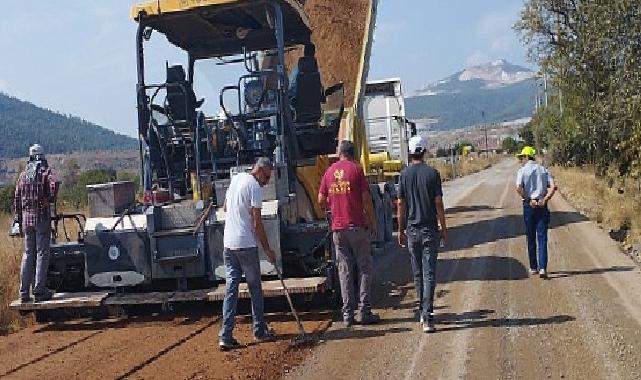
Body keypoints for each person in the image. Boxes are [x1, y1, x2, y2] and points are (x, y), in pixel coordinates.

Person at [218, 157, 278, 351]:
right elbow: (256, 223)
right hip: (245, 245)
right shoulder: (254, 187)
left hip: (229, 244)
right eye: (266, 177)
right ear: (260, 170)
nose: (266, 182)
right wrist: (268, 249)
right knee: (255, 288)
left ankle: (225, 336)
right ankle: (259, 330)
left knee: (231, 289)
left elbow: (226, 207)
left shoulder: (236, 179)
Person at [318, 140, 379, 327]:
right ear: (353, 154)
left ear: (340, 153)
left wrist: (333, 207)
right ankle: (364, 311)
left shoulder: (329, 172)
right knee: (365, 267)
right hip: (357, 226)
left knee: (344, 270)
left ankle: (347, 315)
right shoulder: (356, 170)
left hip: (338, 229)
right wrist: (372, 221)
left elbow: (321, 199)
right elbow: (366, 199)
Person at [397, 136, 447, 333]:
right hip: (429, 230)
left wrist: (400, 230)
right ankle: (427, 315)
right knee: (429, 273)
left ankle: (422, 312)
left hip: (412, 230)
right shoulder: (433, 174)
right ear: (424, 151)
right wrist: (444, 227)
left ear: (410, 152)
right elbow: (438, 203)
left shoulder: (404, 175)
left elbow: (400, 204)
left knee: (417, 274)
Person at [13, 144, 58, 303]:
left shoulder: (23, 175)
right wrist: (49, 199)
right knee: (41, 253)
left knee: (28, 254)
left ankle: (24, 293)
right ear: (42, 156)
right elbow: (54, 184)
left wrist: (18, 219)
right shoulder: (45, 172)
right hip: (41, 218)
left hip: (26, 220)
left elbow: (17, 199)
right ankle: (39, 290)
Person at [515, 146, 557, 279]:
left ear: (527, 157)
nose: (521, 160)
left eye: (522, 157)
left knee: (531, 235)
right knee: (542, 236)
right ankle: (543, 267)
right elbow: (553, 187)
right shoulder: (543, 170)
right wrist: (545, 199)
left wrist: (528, 199)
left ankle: (533, 266)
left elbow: (518, 188)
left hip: (529, 206)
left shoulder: (522, 171)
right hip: (542, 205)